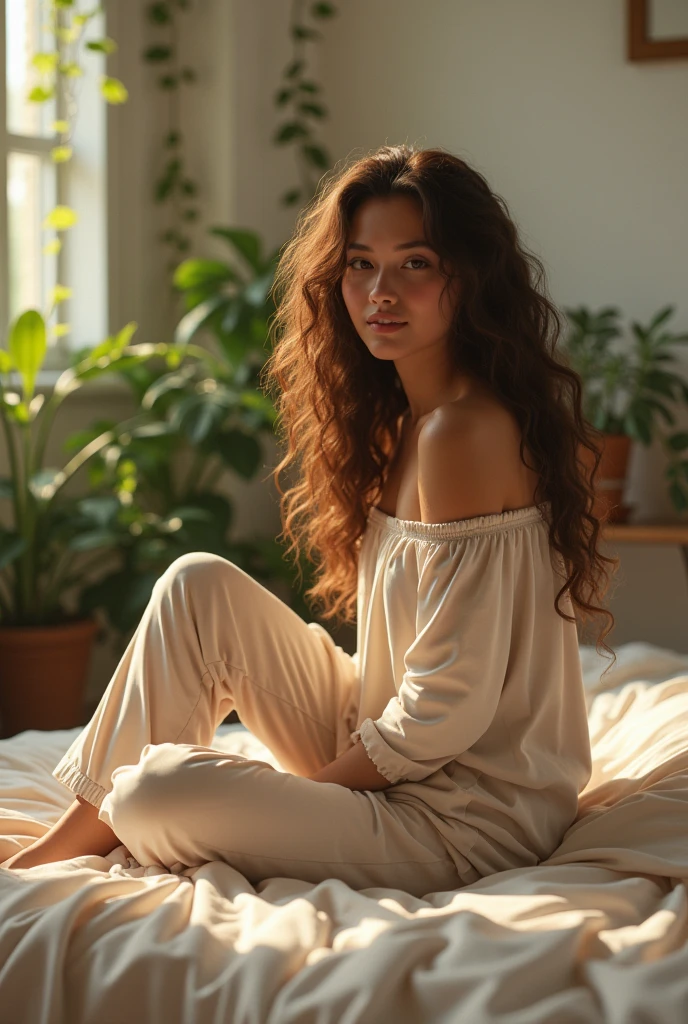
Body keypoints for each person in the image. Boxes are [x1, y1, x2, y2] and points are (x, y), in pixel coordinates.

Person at [2, 144, 618, 895]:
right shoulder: (410, 422)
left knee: (153, 796)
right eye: (361, 264)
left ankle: (70, 845)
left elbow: (445, 713)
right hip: (387, 743)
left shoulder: (466, 432)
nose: (380, 292)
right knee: (197, 586)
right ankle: (69, 840)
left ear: (470, 276)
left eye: (414, 263)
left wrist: (311, 799)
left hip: (466, 813)